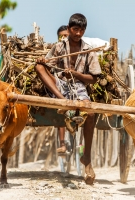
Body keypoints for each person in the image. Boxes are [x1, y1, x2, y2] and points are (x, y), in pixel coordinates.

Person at [35, 13, 101, 185]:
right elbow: (47, 63)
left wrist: (77, 74)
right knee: (38, 66)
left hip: (79, 87)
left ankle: (86, 158)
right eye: (75, 29)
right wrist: (43, 60)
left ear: (84, 30)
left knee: (91, 113)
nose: (78, 33)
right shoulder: (58, 47)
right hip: (60, 86)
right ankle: (62, 102)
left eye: (81, 30)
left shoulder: (89, 51)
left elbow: (94, 78)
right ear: (69, 29)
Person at [55, 25, 69, 153]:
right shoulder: (57, 49)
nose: (64, 38)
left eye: (66, 35)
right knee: (61, 104)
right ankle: (62, 143)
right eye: (61, 36)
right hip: (59, 83)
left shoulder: (78, 49)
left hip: (76, 85)